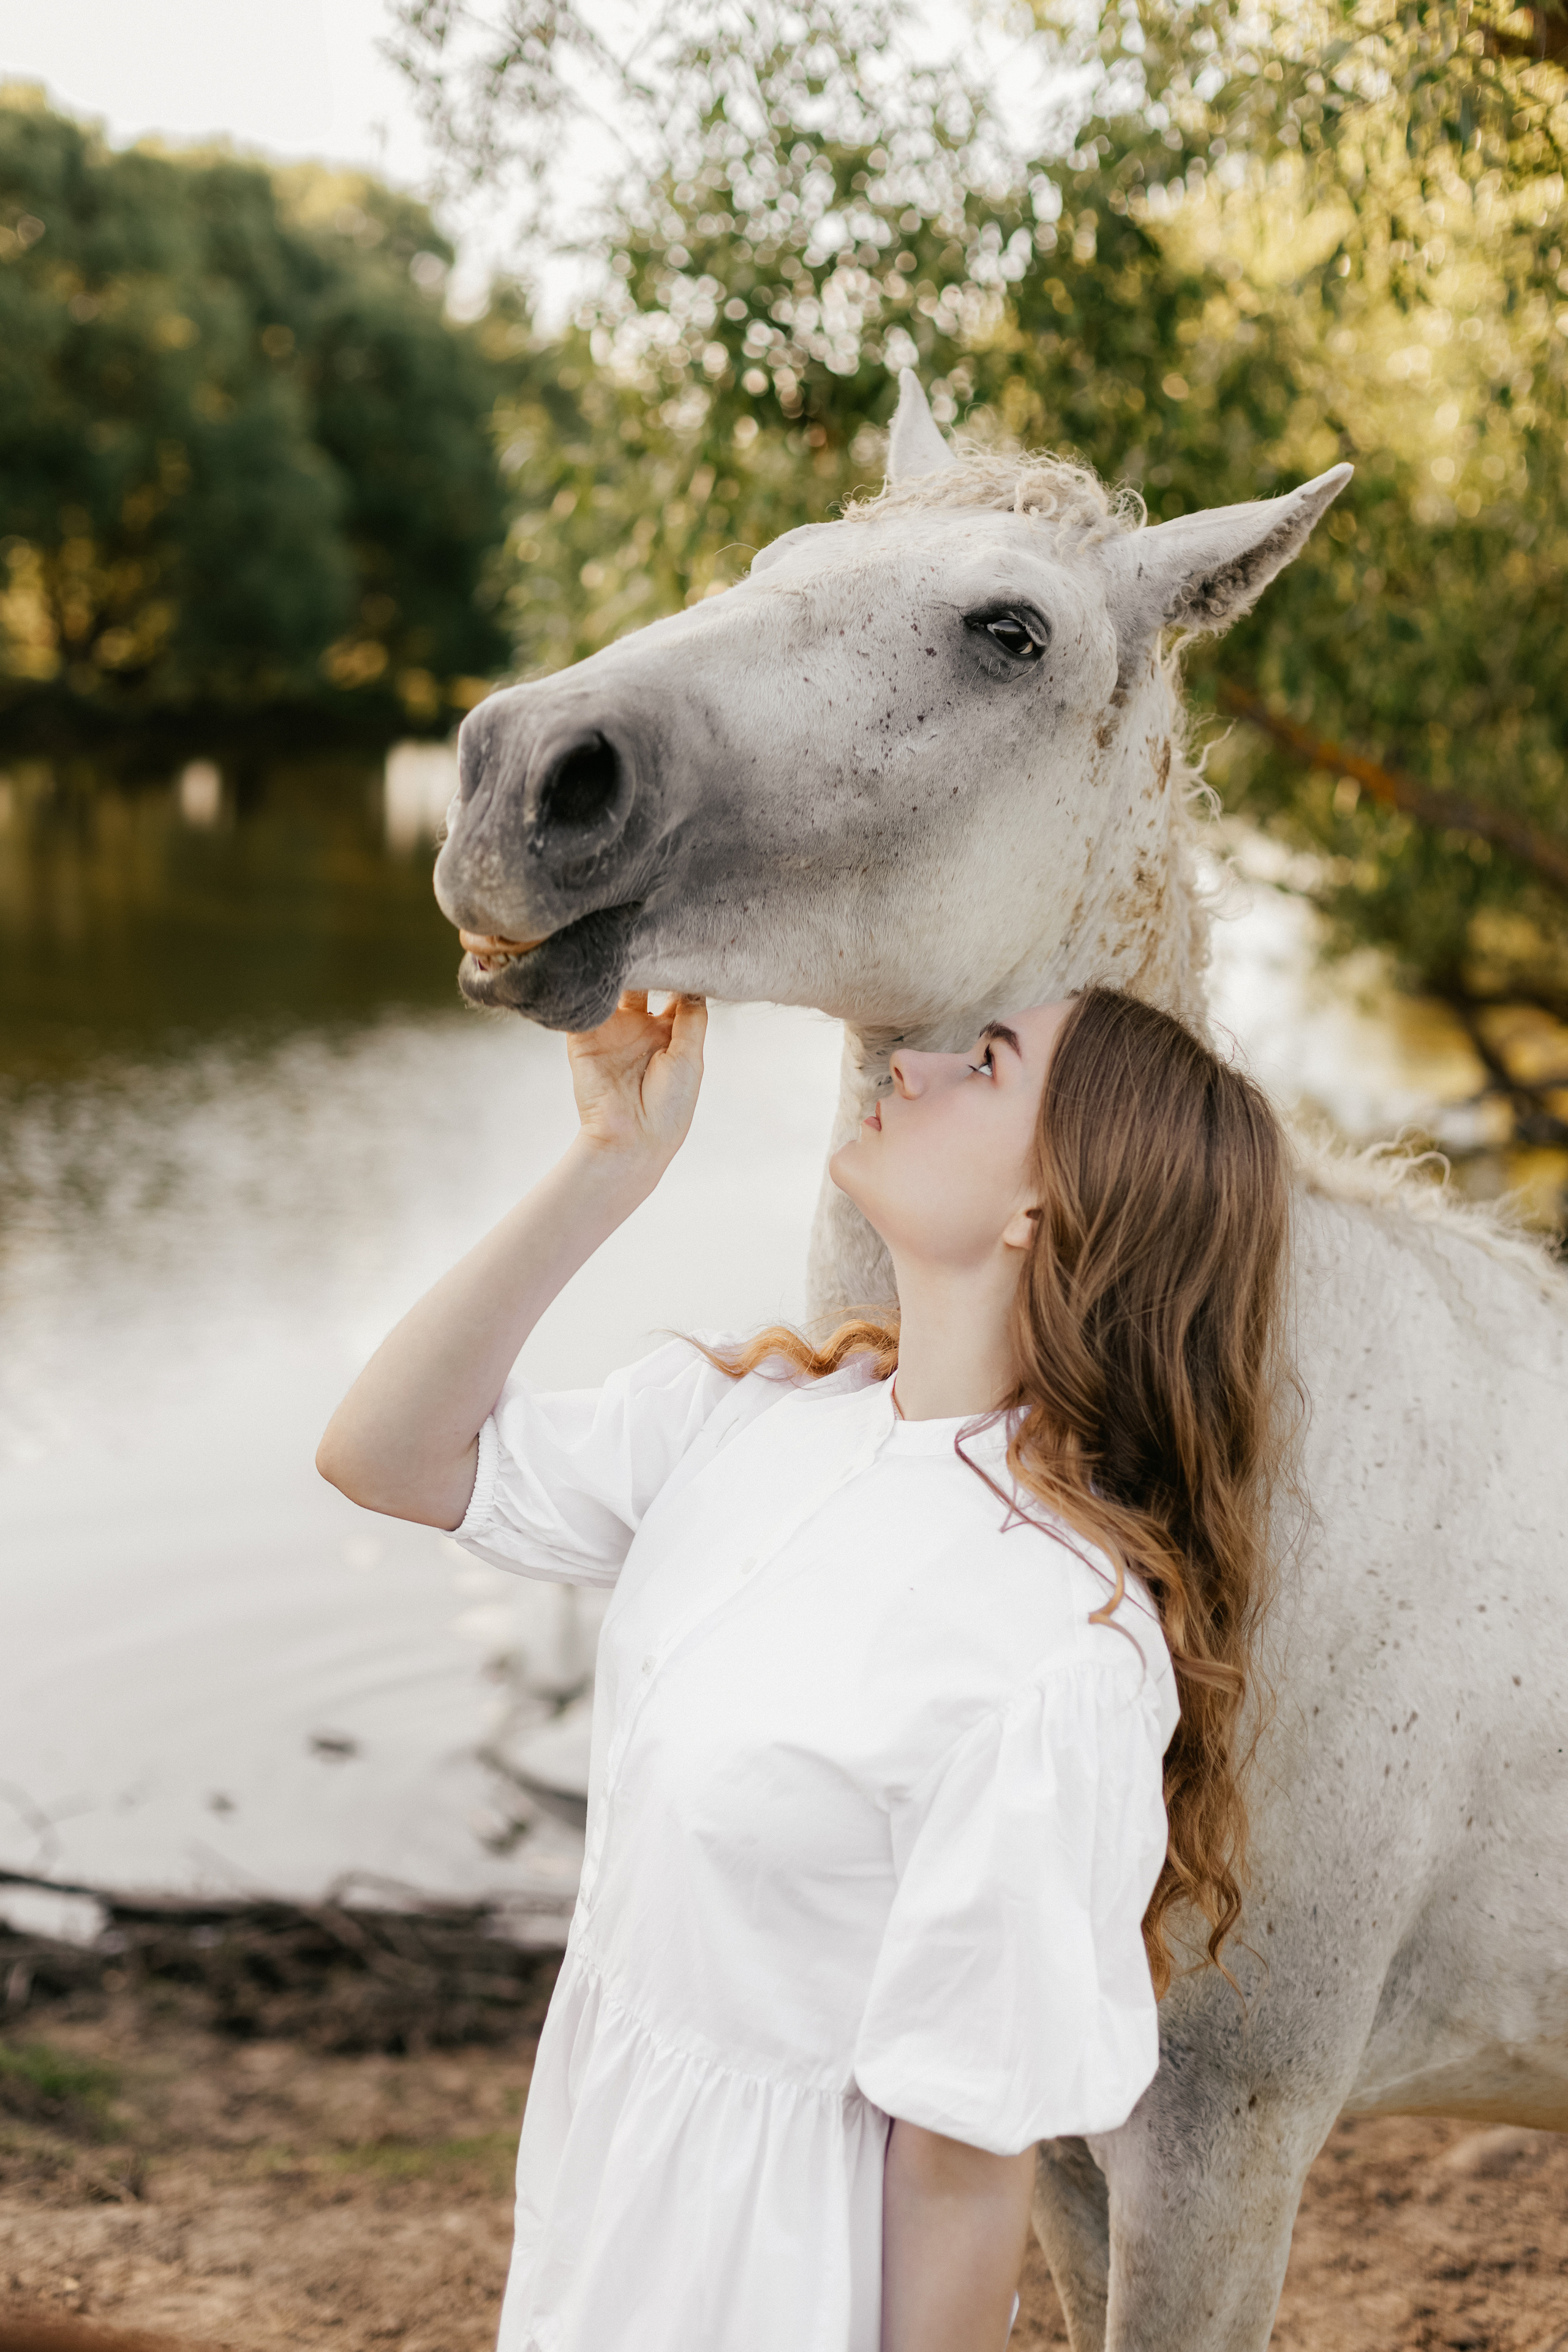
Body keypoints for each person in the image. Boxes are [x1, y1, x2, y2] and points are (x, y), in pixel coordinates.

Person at [317, 984, 1296, 2352]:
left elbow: (959, 2168)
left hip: (778, 2279)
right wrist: (609, 1160)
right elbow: (385, 1456)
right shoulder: (762, 1418)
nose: (918, 1061)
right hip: (605, 2204)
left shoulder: (1053, 1653)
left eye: (987, 1062)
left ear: (1044, 1204)